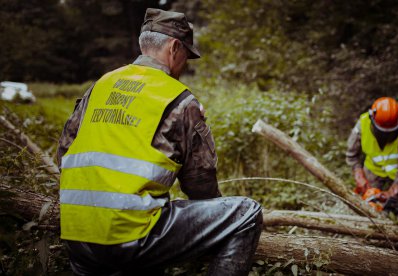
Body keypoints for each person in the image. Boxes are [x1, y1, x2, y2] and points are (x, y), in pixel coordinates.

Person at [57, 8, 262, 275]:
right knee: (246, 213)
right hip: (129, 238)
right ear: (175, 47)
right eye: (186, 57)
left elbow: (64, 153)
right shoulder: (179, 99)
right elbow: (201, 184)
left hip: (77, 238)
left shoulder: (100, 86)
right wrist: (214, 226)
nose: (184, 66)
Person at [346, 97, 398, 220]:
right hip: (373, 169)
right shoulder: (363, 123)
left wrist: (396, 187)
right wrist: (359, 175)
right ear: (372, 118)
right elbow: (351, 154)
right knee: (367, 206)